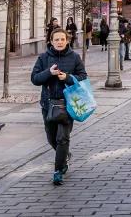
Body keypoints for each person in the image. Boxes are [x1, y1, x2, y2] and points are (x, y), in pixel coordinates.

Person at [30, 28, 88, 186]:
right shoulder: (43, 58)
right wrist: (49, 72)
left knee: (62, 138)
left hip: (68, 104)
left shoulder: (75, 57)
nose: (60, 42)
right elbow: (35, 79)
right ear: (51, 41)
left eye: (62, 39)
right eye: (57, 39)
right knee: (51, 138)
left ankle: (58, 171)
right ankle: (65, 156)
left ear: (67, 41)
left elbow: (83, 77)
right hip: (48, 104)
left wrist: (68, 77)